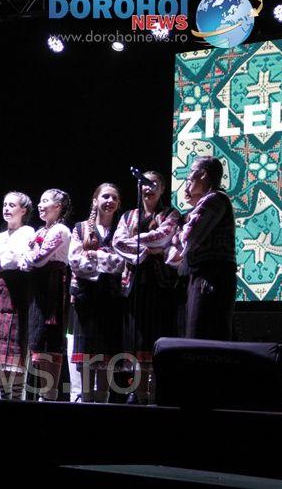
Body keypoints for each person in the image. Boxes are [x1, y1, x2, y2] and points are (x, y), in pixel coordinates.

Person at [113, 171, 181, 403]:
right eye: (144, 183)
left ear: (162, 189)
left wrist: (140, 244)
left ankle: (156, 394)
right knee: (135, 336)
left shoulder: (171, 214)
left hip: (160, 284)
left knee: (157, 335)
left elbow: (163, 236)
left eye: (154, 184)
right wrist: (147, 251)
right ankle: (137, 391)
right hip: (134, 284)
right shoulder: (128, 216)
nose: (148, 187)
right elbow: (117, 242)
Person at [168, 156, 236, 341]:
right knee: (198, 334)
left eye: (191, 174)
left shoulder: (214, 199)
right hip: (205, 276)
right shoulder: (209, 202)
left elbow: (188, 237)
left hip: (212, 276)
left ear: (204, 174)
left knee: (202, 335)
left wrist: (176, 234)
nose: (187, 180)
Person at [69, 183, 126, 403]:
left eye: (114, 198)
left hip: (112, 299)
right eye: (105, 196)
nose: (110, 201)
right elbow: (75, 262)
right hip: (86, 299)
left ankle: (102, 403)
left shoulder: (122, 229)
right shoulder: (81, 228)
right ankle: (85, 400)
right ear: (95, 201)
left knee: (106, 356)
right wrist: (108, 260)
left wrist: (96, 256)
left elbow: (123, 263)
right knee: (86, 356)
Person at [0, 191, 35, 400]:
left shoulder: (28, 232)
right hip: (0, 293)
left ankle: (17, 396)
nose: (6, 209)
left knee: (15, 346)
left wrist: (1, 260)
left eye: (12, 205)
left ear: (23, 210)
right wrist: (3, 260)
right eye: (5, 204)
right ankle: (5, 396)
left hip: (19, 293)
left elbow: (16, 260)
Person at [21, 189, 72, 402]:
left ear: (58, 206)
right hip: (38, 286)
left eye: (45, 201)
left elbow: (38, 259)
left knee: (50, 338)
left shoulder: (61, 230)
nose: (40, 205)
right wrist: (29, 256)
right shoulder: (41, 230)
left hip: (53, 288)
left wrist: (28, 253)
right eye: (40, 201)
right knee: (38, 336)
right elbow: (25, 264)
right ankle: (44, 393)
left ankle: (50, 394)